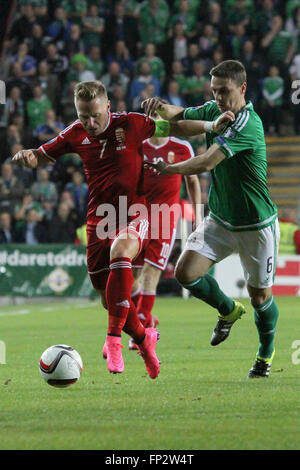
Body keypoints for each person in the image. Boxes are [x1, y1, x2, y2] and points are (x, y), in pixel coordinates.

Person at [12, 80, 232, 378]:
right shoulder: (75, 133)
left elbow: (176, 128)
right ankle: (144, 338)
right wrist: (28, 157)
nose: (89, 123)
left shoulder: (130, 124)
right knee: (108, 299)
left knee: (122, 250)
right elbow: (41, 154)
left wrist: (211, 125)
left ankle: (113, 341)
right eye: (82, 116)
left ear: (108, 107)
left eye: (95, 115)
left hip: (135, 213)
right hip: (99, 220)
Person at [142, 59, 280, 379]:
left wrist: (169, 169)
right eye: (214, 91)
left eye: (225, 91)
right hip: (220, 218)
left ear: (242, 88)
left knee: (260, 296)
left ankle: (264, 354)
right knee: (185, 273)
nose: (218, 98)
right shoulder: (213, 111)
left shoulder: (248, 123)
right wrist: (158, 106)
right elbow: (179, 117)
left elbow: (205, 162)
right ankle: (228, 310)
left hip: (255, 224)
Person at [129, 111, 201, 349]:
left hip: (165, 217)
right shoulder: (137, 146)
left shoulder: (182, 148)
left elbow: (192, 181)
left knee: (151, 272)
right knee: (131, 278)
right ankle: (147, 318)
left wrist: (197, 216)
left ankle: (138, 333)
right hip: (137, 217)